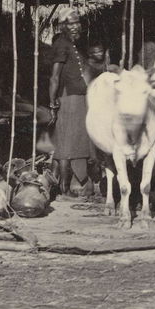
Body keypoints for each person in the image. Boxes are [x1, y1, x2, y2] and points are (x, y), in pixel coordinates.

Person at [46, 10, 92, 197]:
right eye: (71, 23)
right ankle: (64, 187)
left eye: (77, 22)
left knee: (77, 141)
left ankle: (72, 182)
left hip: (79, 98)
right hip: (68, 99)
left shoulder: (73, 44)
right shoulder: (60, 44)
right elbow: (54, 78)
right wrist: (53, 104)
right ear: (63, 26)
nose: (76, 26)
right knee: (66, 144)